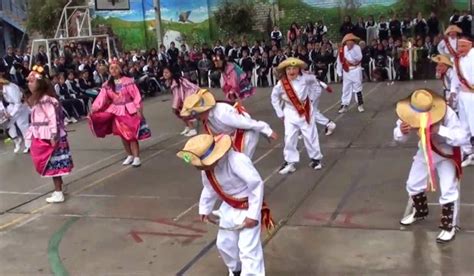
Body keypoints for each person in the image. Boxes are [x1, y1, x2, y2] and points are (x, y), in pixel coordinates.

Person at [177, 134, 274, 276]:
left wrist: (253, 215)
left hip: (247, 206)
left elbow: (256, 185)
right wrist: (205, 209)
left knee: (248, 250)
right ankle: (236, 270)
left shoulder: (236, 160)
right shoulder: (207, 169)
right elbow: (210, 188)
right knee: (225, 244)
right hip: (228, 207)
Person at [395, 89, 469, 243]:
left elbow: (461, 137)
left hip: (446, 153)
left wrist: (440, 130)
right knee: (413, 184)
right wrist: (401, 132)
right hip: (425, 151)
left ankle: (449, 226)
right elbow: (398, 138)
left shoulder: (446, 111)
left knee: (448, 189)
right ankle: (420, 212)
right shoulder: (408, 110)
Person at [89, 59, 151, 167]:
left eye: (116, 68)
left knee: (131, 134)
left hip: (129, 110)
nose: (113, 70)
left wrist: (138, 108)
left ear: (120, 69)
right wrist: (94, 108)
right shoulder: (107, 84)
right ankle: (129, 155)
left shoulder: (128, 81)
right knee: (122, 135)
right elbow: (101, 98)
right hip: (116, 111)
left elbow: (136, 96)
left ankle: (136, 157)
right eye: (111, 68)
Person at [180, 89, 277, 159]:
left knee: (242, 163)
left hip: (246, 134)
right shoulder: (208, 118)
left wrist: (266, 130)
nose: (196, 118)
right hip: (232, 136)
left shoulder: (222, 113)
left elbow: (247, 123)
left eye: (196, 114)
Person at [26, 65, 73, 203]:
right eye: (28, 81)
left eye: (32, 81)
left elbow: (52, 118)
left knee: (53, 164)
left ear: (39, 84)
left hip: (49, 136)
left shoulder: (45, 100)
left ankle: (58, 192)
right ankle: (60, 188)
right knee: (52, 164)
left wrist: (53, 135)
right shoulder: (40, 99)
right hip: (43, 134)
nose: (29, 83)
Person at [271, 58, 324, 174]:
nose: (291, 71)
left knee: (310, 136)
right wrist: (279, 112)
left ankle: (316, 159)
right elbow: (274, 98)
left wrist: (312, 98)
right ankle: (290, 162)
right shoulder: (281, 84)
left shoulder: (306, 78)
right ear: (285, 71)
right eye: (289, 69)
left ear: (299, 69)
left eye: (294, 68)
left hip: (305, 110)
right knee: (289, 137)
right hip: (290, 112)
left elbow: (316, 84)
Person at [450, 37, 474, 167]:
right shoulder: (457, 59)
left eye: (463, 46)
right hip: (462, 95)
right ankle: (468, 153)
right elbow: (455, 77)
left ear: (470, 45)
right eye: (459, 46)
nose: (460, 49)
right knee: (464, 125)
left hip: (473, 95)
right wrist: (453, 91)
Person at [163, 66, 198, 137]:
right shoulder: (172, 81)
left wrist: (174, 106)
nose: (164, 74)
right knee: (180, 112)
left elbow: (177, 96)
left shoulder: (175, 82)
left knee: (184, 112)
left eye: (167, 72)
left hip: (189, 95)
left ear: (171, 73)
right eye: (163, 72)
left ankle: (192, 129)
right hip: (184, 96)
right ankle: (187, 127)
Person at [0, 78, 30, 153]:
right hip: (11, 106)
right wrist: (5, 112)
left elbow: (18, 103)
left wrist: (11, 114)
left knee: (22, 125)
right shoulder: (3, 89)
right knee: (7, 125)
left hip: (20, 107)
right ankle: (16, 139)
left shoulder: (10, 88)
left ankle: (29, 145)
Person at [336, 33, 364, 113]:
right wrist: (339, 73)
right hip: (346, 71)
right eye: (347, 41)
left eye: (351, 41)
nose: (349, 43)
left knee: (357, 88)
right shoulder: (342, 49)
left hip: (355, 70)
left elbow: (359, 58)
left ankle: (360, 104)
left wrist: (351, 50)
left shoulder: (357, 48)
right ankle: (344, 104)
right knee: (346, 88)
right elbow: (339, 61)